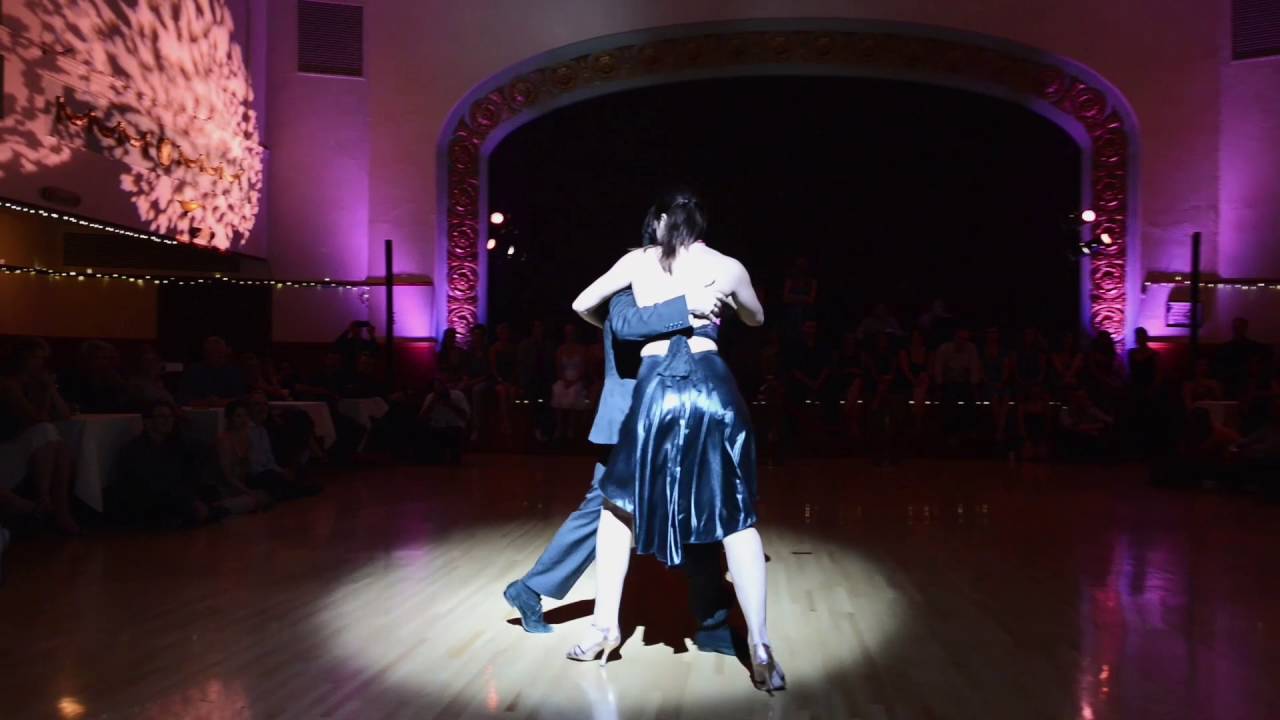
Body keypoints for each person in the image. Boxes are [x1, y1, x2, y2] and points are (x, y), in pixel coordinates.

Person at [568, 190, 783, 692]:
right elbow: (758, 318)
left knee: (617, 507)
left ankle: (604, 627)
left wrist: (632, 329)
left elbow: (582, 304)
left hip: (656, 383)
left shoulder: (638, 261)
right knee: (737, 515)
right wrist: (726, 305)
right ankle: (762, 644)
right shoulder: (727, 265)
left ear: (663, 222)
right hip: (714, 383)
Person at [503, 284, 732, 646]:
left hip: (652, 418)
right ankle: (712, 621)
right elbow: (627, 326)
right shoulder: (627, 297)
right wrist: (688, 304)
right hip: (629, 420)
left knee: (605, 510)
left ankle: (530, 589)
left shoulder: (659, 298)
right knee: (680, 505)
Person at [113, 401, 252, 527]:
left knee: (209, 491)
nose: (168, 421)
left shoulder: (174, 445)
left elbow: (185, 472)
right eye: (162, 417)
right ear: (147, 422)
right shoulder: (135, 450)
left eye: (170, 417)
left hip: (174, 494)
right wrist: (188, 499)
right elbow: (149, 485)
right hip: (149, 500)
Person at [0, 337, 79, 534]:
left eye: (43, 359)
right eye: (36, 358)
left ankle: (58, 508)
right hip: (6, 448)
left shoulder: (37, 383)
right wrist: (45, 393)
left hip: (29, 447)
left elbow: (64, 415)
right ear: (22, 358)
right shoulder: (8, 385)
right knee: (45, 431)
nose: (41, 363)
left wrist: (51, 390)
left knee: (59, 444)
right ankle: (45, 499)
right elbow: (37, 418)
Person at [550, 323, 589, 441]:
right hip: (564, 379)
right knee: (557, 389)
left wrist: (574, 381)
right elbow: (558, 368)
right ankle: (559, 427)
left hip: (577, 379)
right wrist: (565, 380)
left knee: (574, 392)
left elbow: (583, 368)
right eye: (568, 332)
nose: (570, 335)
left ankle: (571, 429)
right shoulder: (561, 349)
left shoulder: (581, 349)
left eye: (572, 332)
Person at [179, 336, 245, 406]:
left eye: (220, 352)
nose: (217, 355)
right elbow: (182, 400)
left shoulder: (234, 372)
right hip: (198, 413)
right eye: (212, 352)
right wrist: (206, 402)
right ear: (205, 353)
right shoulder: (193, 371)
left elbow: (241, 399)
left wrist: (219, 402)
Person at [417, 377, 470, 464]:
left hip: (454, 428)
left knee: (455, 434)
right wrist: (431, 403)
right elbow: (421, 418)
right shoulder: (431, 397)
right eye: (437, 387)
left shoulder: (458, 395)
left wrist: (450, 404)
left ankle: (452, 456)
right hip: (436, 428)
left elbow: (466, 416)